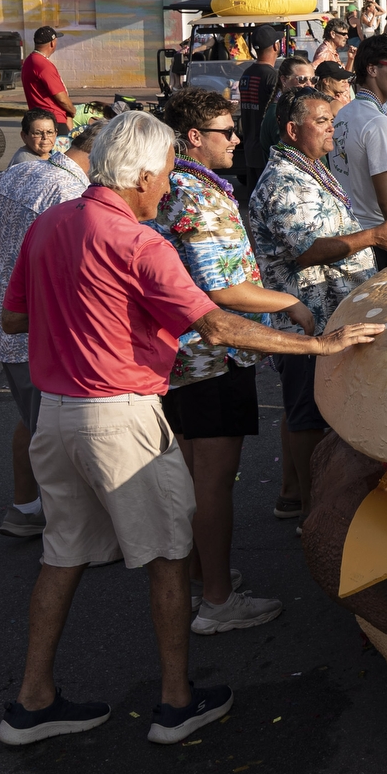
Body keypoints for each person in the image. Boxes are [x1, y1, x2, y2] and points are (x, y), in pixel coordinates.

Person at [0, 112, 383, 748]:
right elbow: (220, 325)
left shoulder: (51, 224)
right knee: (170, 555)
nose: (167, 185)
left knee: (62, 555)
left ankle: (31, 701)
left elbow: (13, 318)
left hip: (55, 413)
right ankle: (176, 703)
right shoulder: (140, 243)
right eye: (166, 173)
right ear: (144, 174)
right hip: (119, 415)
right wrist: (321, 345)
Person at [151, 89, 309, 634]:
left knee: (195, 478)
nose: (237, 139)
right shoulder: (199, 196)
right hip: (212, 357)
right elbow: (225, 291)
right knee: (213, 482)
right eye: (226, 131)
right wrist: (290, 303)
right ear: (194, 138)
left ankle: (203, 574)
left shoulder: (174, 187)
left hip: (183, 356)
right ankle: (216, 601)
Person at [247, 89, 387, 524]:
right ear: (293, 130)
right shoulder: (283, 180)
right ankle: (316, 515)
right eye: (321, 121)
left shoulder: (311, 167)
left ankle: (293, 495)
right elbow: (307, 250)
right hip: (308, 319)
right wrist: (373, 238)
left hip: (331, 308)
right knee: (308, 416)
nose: (332, 127)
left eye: (331, 119)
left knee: (302, 410)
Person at [0, 124, 98, 541]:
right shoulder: (71, 195)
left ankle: (26, 508)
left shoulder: (18, 173)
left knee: (33, 420)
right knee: (53, 430)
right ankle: (66, 530)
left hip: (9, 325)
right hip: (38, 331)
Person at [327, 35, 387, 268]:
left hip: (348, 235)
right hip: (377, 240)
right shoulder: (378, 122)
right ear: (372, 69)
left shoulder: (345, 113)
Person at [233, 27, 281, 193]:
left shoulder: (247, 73)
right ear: (276, 46)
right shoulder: (271, 76)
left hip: (250, 149)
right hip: (265, 152)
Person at [254, 54, 315, 164]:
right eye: (302, 79)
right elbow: (292, 156)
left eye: (313, 79)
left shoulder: (295, 108)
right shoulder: (278, 113)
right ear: (284, 80)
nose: (309, 85)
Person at [21, 27, 76, 137]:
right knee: (60, 153)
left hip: (39, 118)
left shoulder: (30, 61)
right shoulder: (43, 65)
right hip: (54, 120)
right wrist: (73, 111)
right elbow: (61, 98)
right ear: (52, 43)